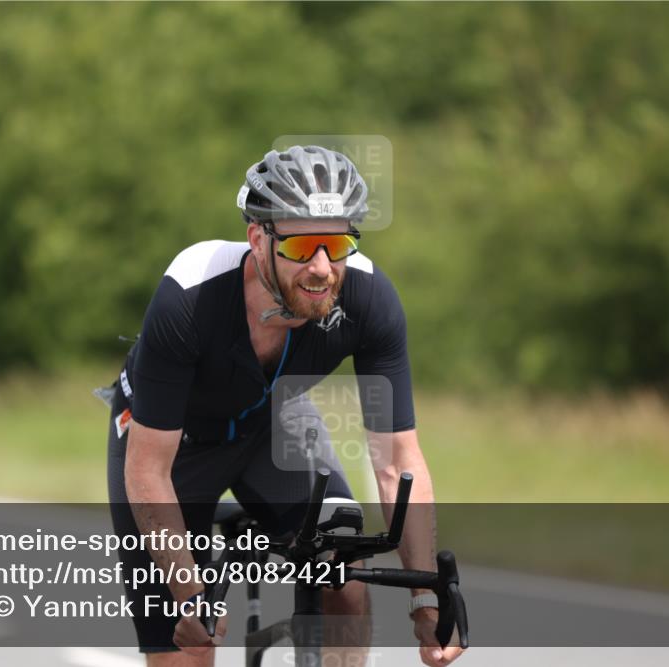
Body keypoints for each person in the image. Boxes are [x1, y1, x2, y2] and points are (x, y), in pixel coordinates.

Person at [106, 145, 464, 667]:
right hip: (169, 445)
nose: (322, 267)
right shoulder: (190, 292)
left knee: (340, 563)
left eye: (336, 244)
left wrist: (425, 602)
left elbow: (397, 461)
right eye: (301, 248)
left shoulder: (368, 298)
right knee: (189, 645)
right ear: (258, 238)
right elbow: (146, 470)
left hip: (271, 421)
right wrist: (188, 592)